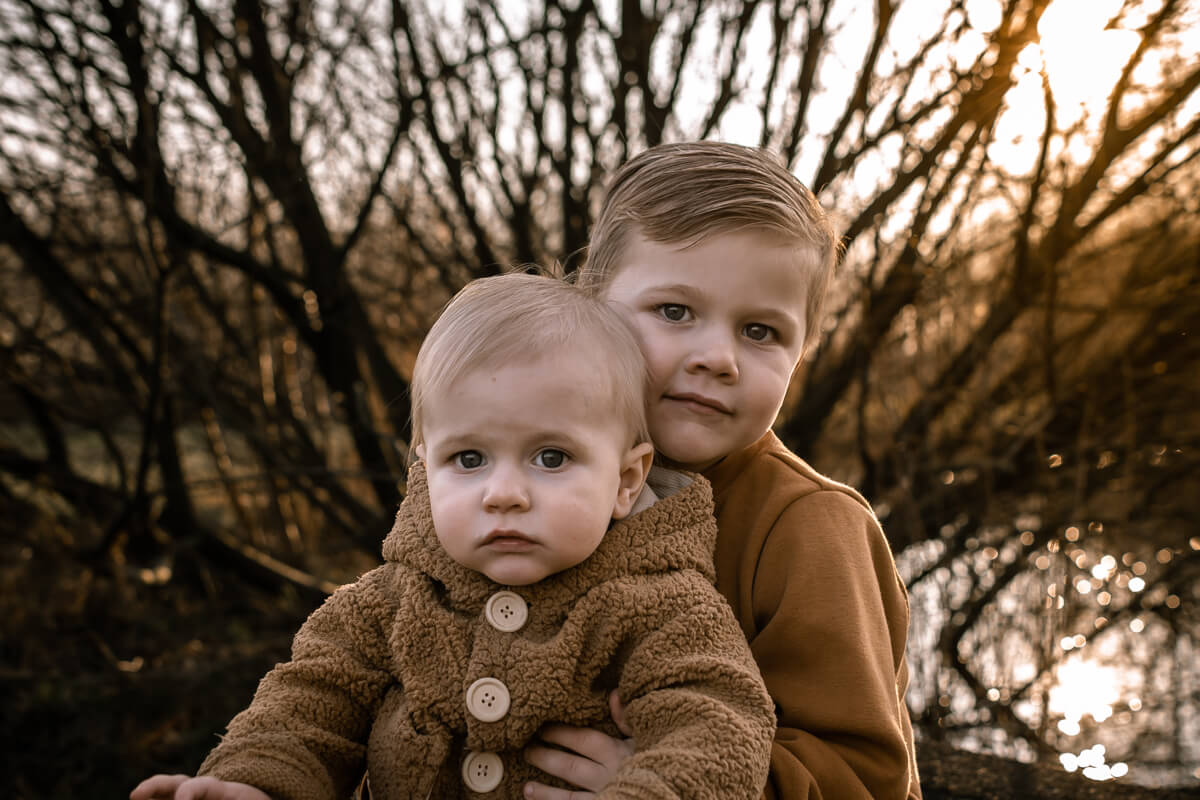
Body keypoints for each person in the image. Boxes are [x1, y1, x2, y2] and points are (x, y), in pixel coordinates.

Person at [130, 273, 776, 800]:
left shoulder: (663, 606)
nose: (504, 492)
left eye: (551, 458)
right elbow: (306, 704)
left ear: (626, 480)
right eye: (468, 459)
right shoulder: (389, 600)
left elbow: (717, 724)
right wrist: (254, 783)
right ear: (424, 469)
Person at [523, 142, 922, 800]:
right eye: (675, 312)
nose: (718, 358)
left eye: (761, 332)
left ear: (803, 352)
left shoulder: (809, 529)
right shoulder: (532, 469)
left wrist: (669, 784)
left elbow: (865, 775)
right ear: (591, 305)